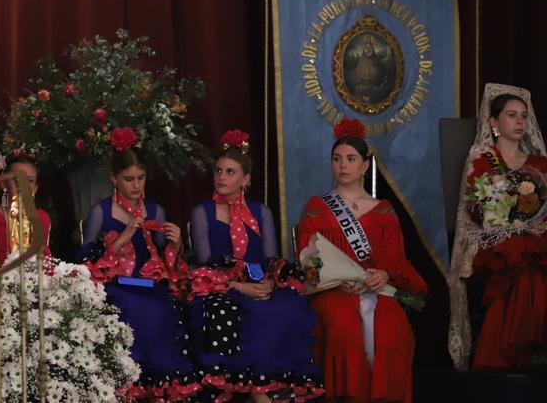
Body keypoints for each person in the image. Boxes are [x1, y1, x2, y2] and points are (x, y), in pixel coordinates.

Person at [296, 118, 427, 403]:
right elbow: (308, 259)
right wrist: (336, 280)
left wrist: (382, 273)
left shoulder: (384, 211)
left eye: (351, 159)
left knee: (394, 329)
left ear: (365, 165)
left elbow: (394, 258)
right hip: (332, 292)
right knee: (344, 327)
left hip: (377, 288)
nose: (343, 165)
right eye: (337, 159)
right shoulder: (317, 208)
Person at [188, 130, 323, 403]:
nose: (222, 177)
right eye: (218, 170)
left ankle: (275, 383)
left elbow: (272, 260)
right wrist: (240, 286)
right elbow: (204, 264)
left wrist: (270, 283)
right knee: (230, 310)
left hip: (256, 280)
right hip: (222, 285)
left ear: (246, 179)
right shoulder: (203, 212)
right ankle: (254, 390)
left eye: (230, 172)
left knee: (288, 306)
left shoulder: (261, 212)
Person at [78, 135, 200, 400]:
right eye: (129, 179)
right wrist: (123, 237)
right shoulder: (102, 211)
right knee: (131, 308)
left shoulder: (154, 210)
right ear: (114, 179)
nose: (136, 185)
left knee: (164, 305)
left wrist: (176, 241)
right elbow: (85, 256)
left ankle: (159, 386)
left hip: (148, 283)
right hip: (116, 284)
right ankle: (128, 385)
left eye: (141, 178)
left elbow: (165, 256)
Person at [448, 83, 547, 370]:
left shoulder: (540, 164)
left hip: (533, 241)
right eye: (511, 115)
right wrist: (508, 220)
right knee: (518, 257)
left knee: (527, 258)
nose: (519, 122)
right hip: (496, 244)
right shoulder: (483, 163)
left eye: (523, 116)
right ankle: (514, 358)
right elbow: (476, 210)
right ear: (494, 122)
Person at [0, 152, 51, 273]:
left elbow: (45, 260)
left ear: (35, 189)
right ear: (4, 184)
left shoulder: (41, 217)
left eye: (29, 181)